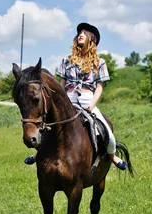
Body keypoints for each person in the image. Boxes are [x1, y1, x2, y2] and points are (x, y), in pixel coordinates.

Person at [24, 23, 127, 170]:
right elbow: (61, 85)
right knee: (49, 127)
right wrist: (61, 103)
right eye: (80, 32)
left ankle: (113, 156)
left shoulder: (100, 62)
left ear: (92, 39)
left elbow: (99, 88)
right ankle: (38, 153)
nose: (81, 34)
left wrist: (91, 105)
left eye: (85, 33)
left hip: (87, 99)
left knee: (107, 132)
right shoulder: (67, 60)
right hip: (68, 98)